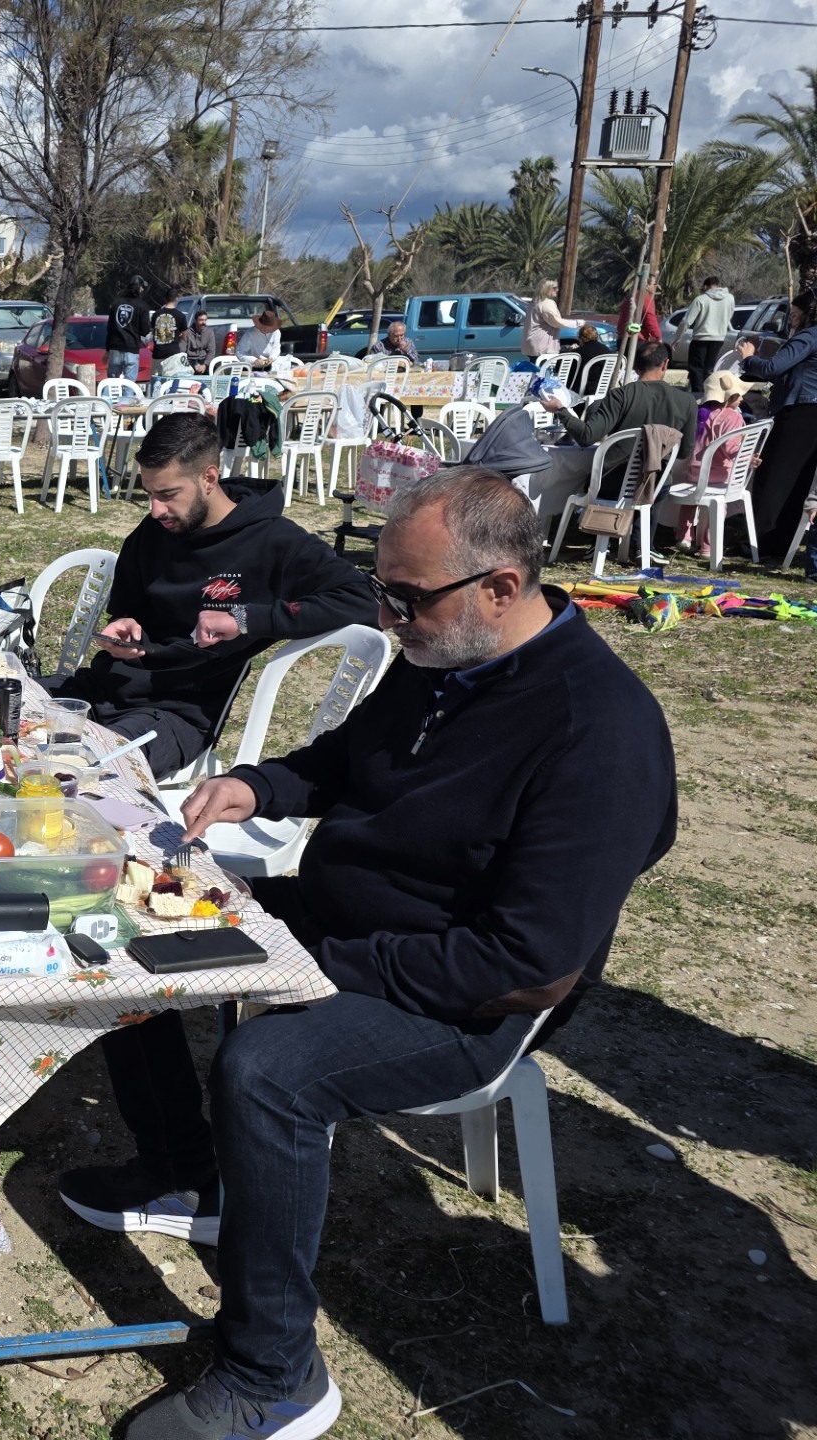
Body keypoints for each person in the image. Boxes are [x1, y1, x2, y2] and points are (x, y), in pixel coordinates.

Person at [71, 468, 676, 1440]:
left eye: (405, 598)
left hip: (467, 995)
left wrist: (321, 968)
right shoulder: (445, 649)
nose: (387, 618)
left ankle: (275, 1376)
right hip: (347, 921)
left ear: (502, 589)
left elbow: (530, 962)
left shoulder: (600, 730)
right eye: (382, 590)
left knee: (265, 1070)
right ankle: (185, 1175)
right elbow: (347, 761)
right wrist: (254, 788)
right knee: (132, 920)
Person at [46, 412, 376, 780]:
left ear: (209, 478)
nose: (155, 510)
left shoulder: (275, 541)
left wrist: (247, 620)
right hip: (102, 687)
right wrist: (123, 627)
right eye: (150, 495)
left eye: (168, 495)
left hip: (176, 714)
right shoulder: (154, 530)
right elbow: (127, 609)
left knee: (77, 772)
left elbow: (365, 600)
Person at [735, 289, 817, 566]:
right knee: (799, 481)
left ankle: (758, 543)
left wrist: (748, 357)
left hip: (800, 411)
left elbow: (772, 367)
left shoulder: (809, 335)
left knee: (774, 476)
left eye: (794, 315)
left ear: (808, 313)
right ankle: (780, 542)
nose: (792, 321)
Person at [540, 340, 695, 465]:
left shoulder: (620, 396)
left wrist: (560, 409)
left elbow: (586, 437)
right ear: (665, 364)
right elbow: (683, 452)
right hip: (656, 485)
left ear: (634, 367)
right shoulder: (687, 401)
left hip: (613, 482)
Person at [673, 369, 749, 556]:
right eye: (739, 395)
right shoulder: (733, 417)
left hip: (694, 471)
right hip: (720, 475)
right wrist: (748, 456)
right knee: (719, 507)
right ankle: (708, 546)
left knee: (689, 504)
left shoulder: (700, 413)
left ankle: (684, 536)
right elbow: (731, 449)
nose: (742, 399)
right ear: (730, 396)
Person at [681, 276, 736, 392]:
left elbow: (686, 321)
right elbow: (730, 315)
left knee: (696, 368)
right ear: (719, 285)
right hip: (718, 338)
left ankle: (697, 394)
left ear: (705, 286)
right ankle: (708, 392)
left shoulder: (701, 299)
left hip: (701, 337)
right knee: (709, 368)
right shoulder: (730, 298)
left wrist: (677, 338)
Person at [106, 276, 151, 380]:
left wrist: (108, 349)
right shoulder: (142, 305)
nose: (143, 290)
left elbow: (110, 328)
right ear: (139, 288)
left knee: (111, 384)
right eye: (142, 287)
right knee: (129, 385)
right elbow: (145, 331)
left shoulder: (116, 303)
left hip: (115, 349)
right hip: (132, 349)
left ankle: (106, 397)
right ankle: (127, 397)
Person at [522, 279, 565, 360]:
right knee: (544, 370)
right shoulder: (546, 304)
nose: (557, 290)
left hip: (533, 345)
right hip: (543, 346)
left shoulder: (533, 303)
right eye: (554, 288)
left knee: (536, 369)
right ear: (547, 289)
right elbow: (556, 322)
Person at [149, 296, 185, 389]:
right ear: (176, 300)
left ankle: (154, 397)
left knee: (156, 379)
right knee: (173, 379)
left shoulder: (156, 314)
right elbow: (184, 335)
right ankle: (171, 397)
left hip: (158, 352)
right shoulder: (180, 315)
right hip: (173, 352)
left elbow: (153, 331)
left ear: (165, 300)